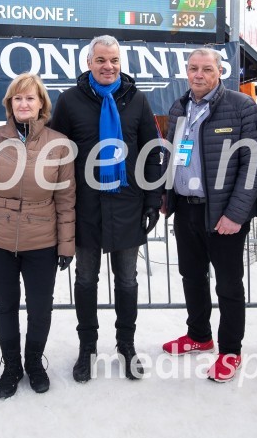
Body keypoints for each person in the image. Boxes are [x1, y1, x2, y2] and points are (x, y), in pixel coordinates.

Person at [50, 35, 162, 383]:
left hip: (127, 204)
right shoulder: (69, 101)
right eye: (101, 60)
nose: (108, 66)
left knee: (127, 280)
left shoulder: (137, 100)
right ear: (89, 63)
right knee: (85, 279)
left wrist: (152, 200)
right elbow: (57, 155)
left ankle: (126, 345)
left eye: (113, 60)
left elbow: (151, 152)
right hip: (86, 207)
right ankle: (88, 347)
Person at [0, 73, 76, 399]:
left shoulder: (59, 144)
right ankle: (12, 365)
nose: (24, 104)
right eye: (17, 98)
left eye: (30, 98)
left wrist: (66, 244)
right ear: (9, 104)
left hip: (42, 239)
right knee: (6, 306)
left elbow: (66, 198)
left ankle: (34, 363)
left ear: (41, 103)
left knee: (40, 308)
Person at [161, 48, 257, 382]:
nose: (199, 75)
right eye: (193, 68)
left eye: (207, 69)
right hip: (186, 210)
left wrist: (237, 213)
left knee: (228, 285)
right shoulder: (180, 107)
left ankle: (230, 351)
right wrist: (166, 194)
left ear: (219, 72)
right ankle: (198, 335)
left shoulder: (240, 106)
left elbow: (255, 163)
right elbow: (173, 154)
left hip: (224, 216)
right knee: (191, 277)